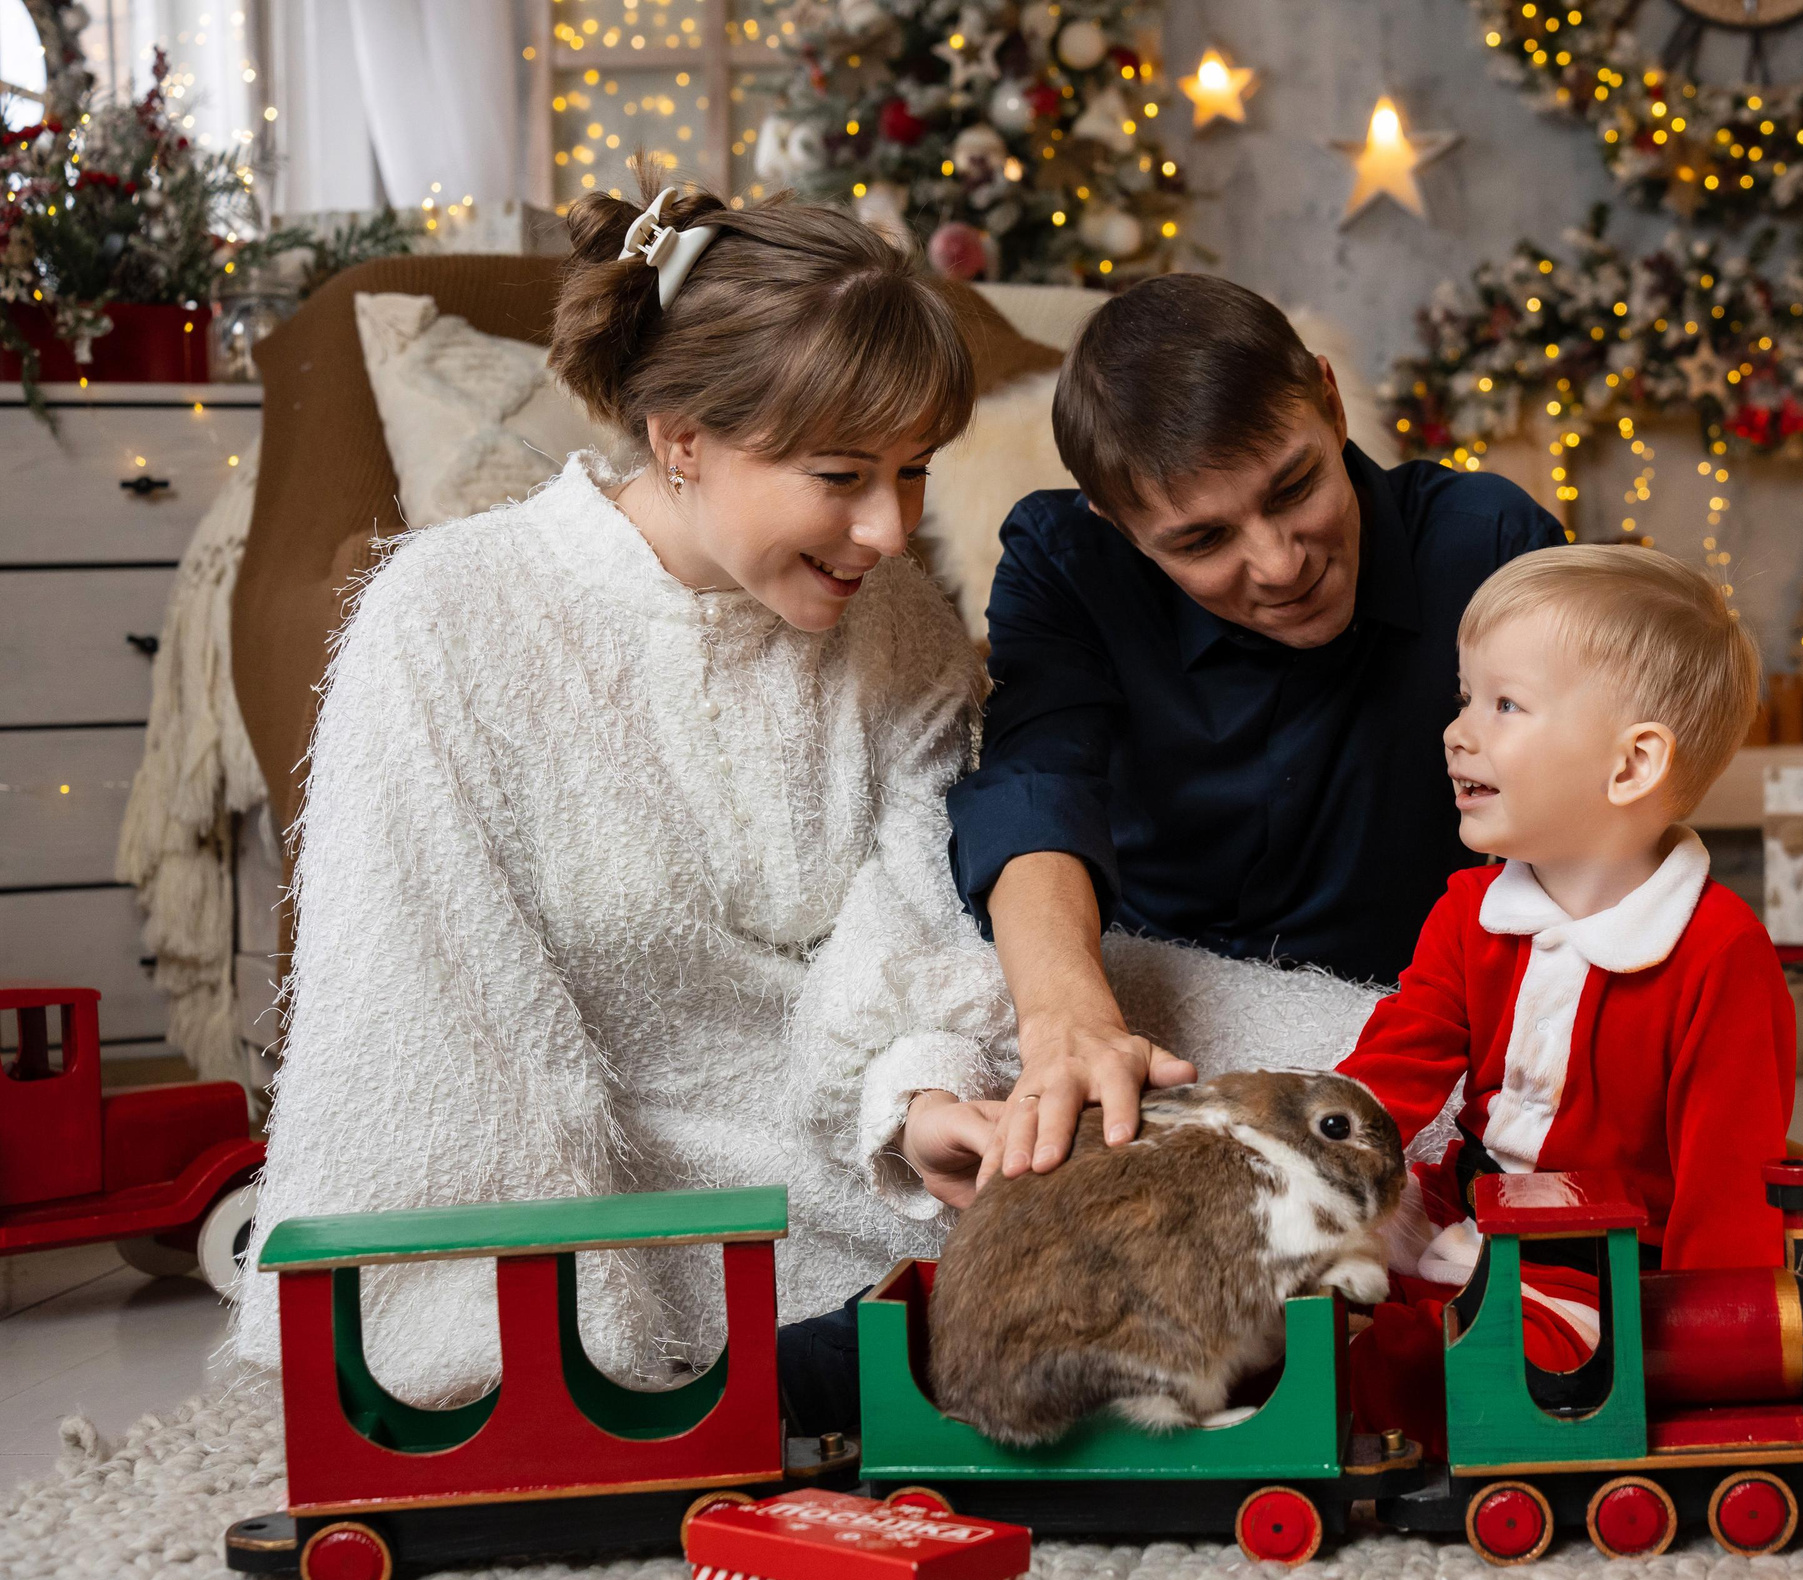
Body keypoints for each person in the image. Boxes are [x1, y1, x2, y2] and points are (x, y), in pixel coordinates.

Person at [231, 184, 1014, 1406]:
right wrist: (545, 1336)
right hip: (611, 1181)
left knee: (1274, 1085)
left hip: (856, 1135)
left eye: (914, 473)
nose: (888, 529)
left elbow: (919, 904)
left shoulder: (901, 624)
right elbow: (425, 1014)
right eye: (840, 474)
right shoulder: (447, 615)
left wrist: (915, 1093)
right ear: (680, 436)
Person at [945, 275, 1565, 1187]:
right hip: (1154, 1023)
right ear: (1118, 527)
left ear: (1331, 397)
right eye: (1202, 542)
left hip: (1414, 1049)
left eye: (1296, 485)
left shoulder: (1489, 541)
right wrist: (1067, 1019)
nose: (1280, 564)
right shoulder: (1067, 561)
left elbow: (1581, 836)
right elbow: (1037, 781)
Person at [1331, 544, 1796, 1454]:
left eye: (1503, 705)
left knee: (1526, 1358)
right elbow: (1391, 1071)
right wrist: (1300, 1170)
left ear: (1630, 766)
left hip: (1603, 1267)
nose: (1458, 731)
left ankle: (1371, 1386)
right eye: (1466, 698)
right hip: (1470, 1207)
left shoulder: (1719, 952)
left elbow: (1728, 1187)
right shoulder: (1472, 910)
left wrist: (1713, 1355)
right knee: (1318, 1257)